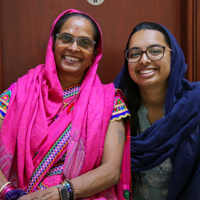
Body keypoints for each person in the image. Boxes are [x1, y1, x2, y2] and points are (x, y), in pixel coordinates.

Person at [0, 9, 131, 200]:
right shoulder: (20, 92)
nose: (74, 48)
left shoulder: (109, 102)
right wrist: (8, 192)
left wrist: (57, 194)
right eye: (66, 38)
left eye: (85, 42)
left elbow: (110, 171)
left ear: (95, 53)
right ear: (53, 43)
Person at [114, 22, 200, 200]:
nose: (144, 60)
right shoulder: (115, 110)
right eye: (135, 53)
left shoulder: (195, 104)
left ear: (172, 54)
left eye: (154, 51)